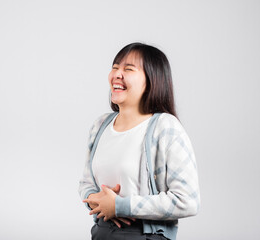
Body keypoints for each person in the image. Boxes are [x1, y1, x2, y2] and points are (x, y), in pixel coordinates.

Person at [78, 42, 200, 240]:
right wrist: (96, 200)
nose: (117, 74)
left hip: (144, 235)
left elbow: (188, 200)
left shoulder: (166, 127)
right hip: (102, 232)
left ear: (152, 80)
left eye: (128, 69)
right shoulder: (100, 125)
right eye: (115, 67)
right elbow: (86, 183)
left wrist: (121, 206)